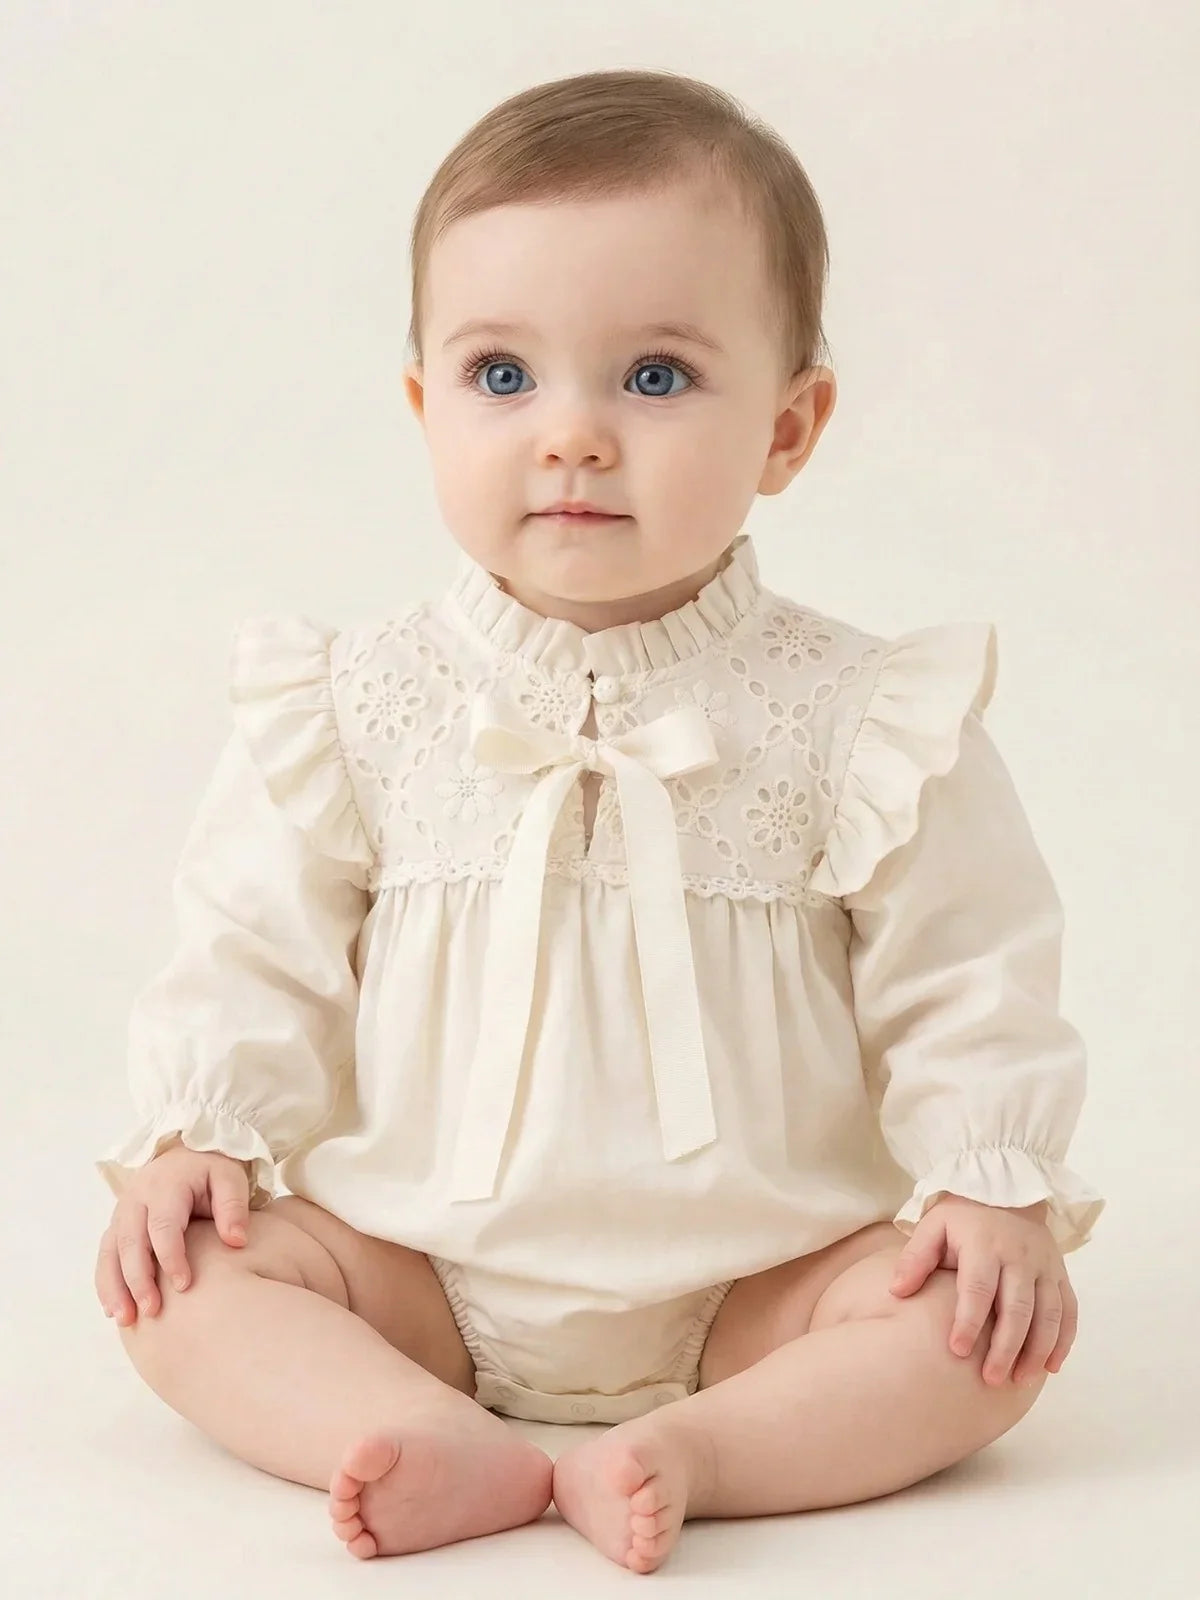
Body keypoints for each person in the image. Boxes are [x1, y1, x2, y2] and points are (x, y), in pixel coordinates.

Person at [92, 67, 1105, 1576]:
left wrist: (985, 1181)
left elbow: (969, 966)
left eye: (653, 378)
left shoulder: (859, 713)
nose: (571, 435)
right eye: (505, 376)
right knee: (176, 1287)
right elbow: (256, 944)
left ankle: (699, 1447)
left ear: (790, 425)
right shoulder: (356, 700)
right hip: (416, 1268)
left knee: (983, 1332)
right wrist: (203, 1135)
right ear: (426, 405)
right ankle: (428, 1430)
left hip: (765, 1282)